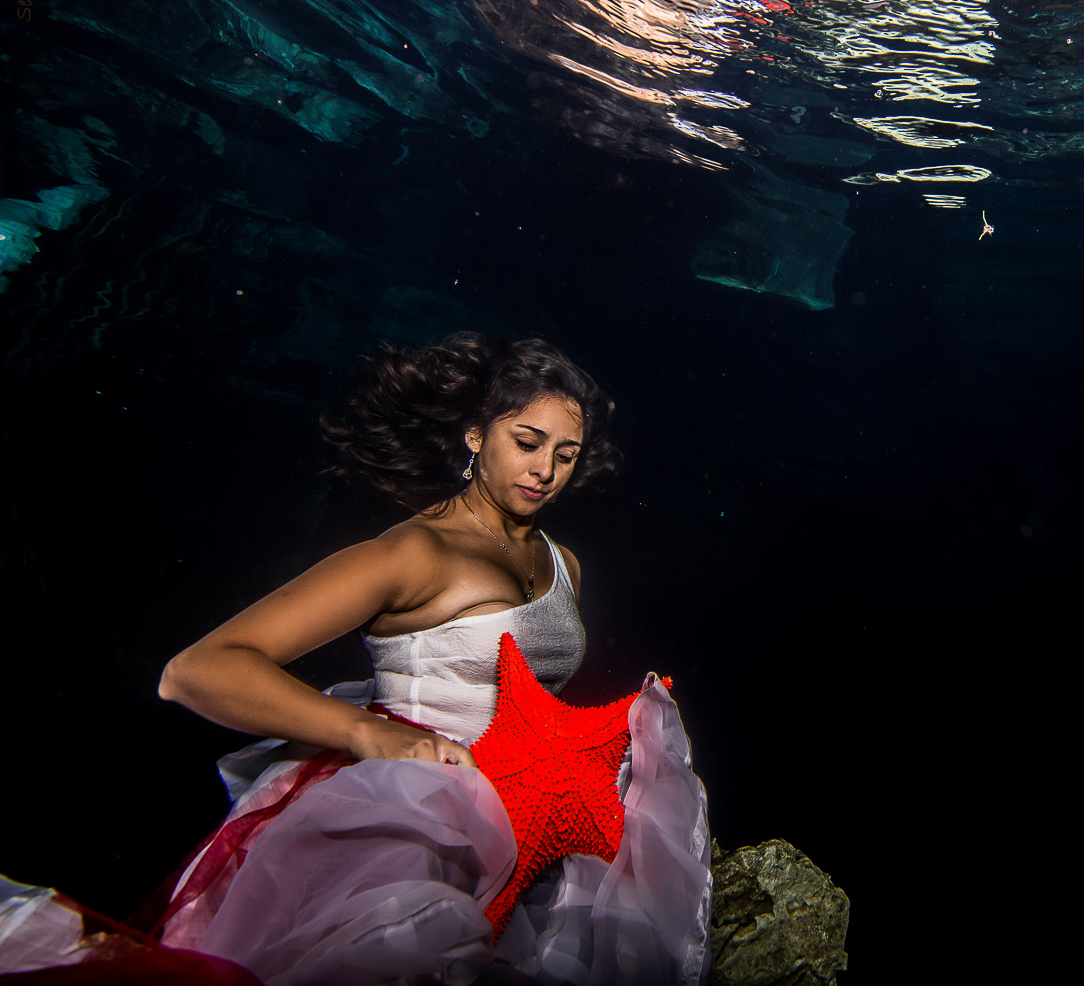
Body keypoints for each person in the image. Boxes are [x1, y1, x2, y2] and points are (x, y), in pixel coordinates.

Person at [1, 334, 712, 986]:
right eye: (528, 442)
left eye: (566, 453)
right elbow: (197, 669)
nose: (546, 470)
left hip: (523, 822)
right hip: (405, 820)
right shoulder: (413, 552)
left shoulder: (567, 566)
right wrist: (369, 733)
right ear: (475, 434)